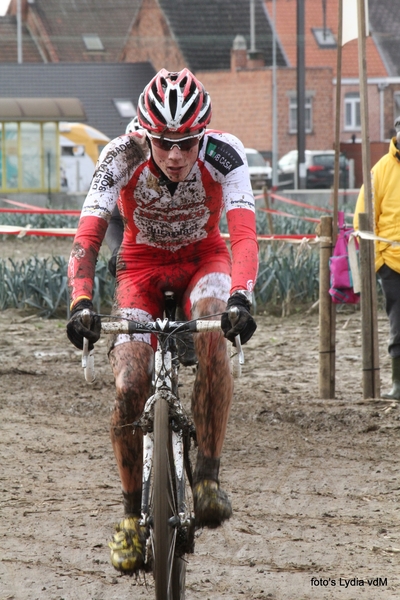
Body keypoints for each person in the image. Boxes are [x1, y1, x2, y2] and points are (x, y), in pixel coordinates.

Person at [66, 68, 258, 574]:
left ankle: (208, 475)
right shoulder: (121, 154)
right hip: (141, 267)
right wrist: (81, 301)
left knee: (215, 326)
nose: (175, 155)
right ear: (145, 134)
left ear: (204, 134)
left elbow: (242, 236)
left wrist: (243, 295)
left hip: (204, 259)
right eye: (164, 142)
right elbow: (87, 236)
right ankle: (132, 516)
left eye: (187, 142)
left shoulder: (225, 154)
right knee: (130, 383)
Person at [354, 116, 400, 400]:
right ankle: (398, 383)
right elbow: (364, 220)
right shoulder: (380, 171)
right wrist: (380, 260)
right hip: (392, 263)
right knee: (399, 323)